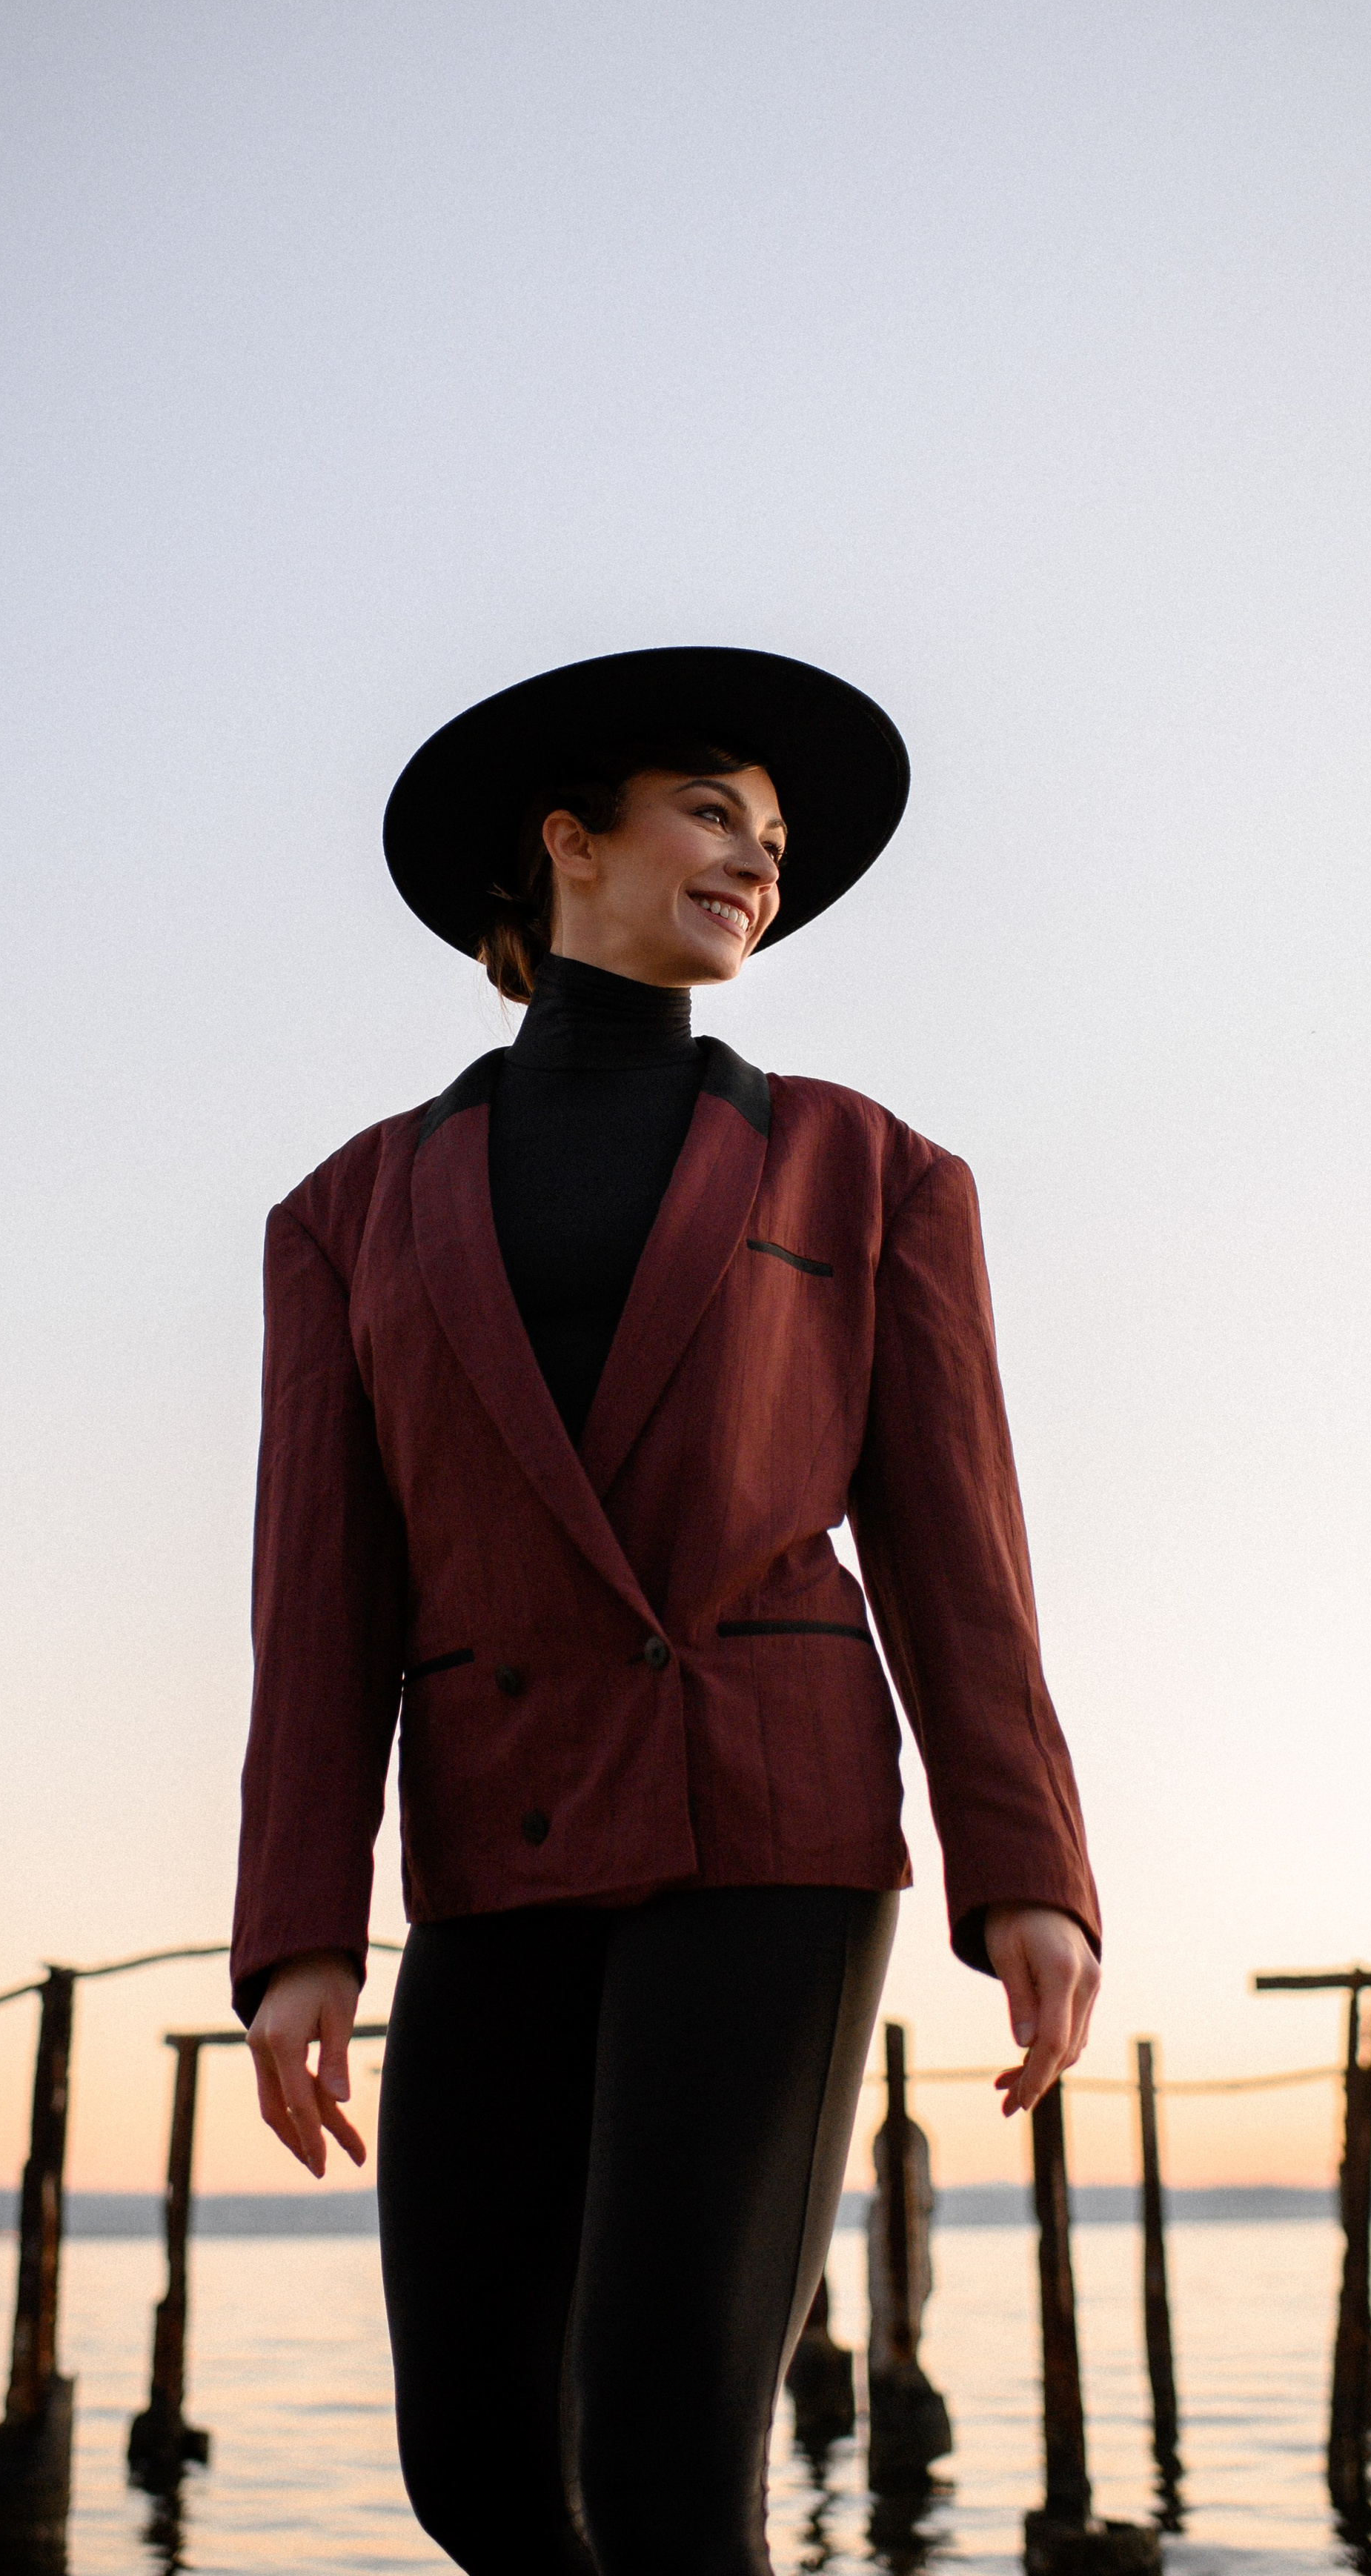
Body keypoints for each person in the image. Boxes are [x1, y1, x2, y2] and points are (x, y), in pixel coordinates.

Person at [231, 645, 1101, 2576]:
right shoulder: (346, 1214)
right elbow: (319, 1599)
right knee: (473, 2452)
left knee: (661, 2433)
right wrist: (299, 1928)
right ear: (568, 844)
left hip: (770, 1835)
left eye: (778, 844)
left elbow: (960, 1554)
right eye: (717, 812)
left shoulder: (874, 1169)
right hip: (497, 1836)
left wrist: (1026, 1869)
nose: (757, 864)